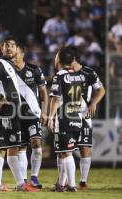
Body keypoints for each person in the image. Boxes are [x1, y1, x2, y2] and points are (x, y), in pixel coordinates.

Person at [0, 36, 39, 192]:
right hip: (6, 111)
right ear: (2, 49)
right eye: (6, 45)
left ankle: (20, 184)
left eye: (12, 45)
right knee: (2, 147)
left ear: (17, 49)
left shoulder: (8, 65)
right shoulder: (0, 64)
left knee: (12, 147)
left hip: (13, 111)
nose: (9, 48)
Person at [48, 46, 83, 192]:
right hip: (76, 117)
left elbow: (56, 99)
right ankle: (61, 185)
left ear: (60, 59)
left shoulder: (59, 76)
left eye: (56, 55)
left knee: (66, 152)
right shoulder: (78, 75)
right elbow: (80, 98)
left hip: (64, 119)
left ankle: (72, 185)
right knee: (63, 151)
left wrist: (50, 117)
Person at [14, 43, 48, 188]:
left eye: (16, 53)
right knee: (21, 147)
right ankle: (23, 180)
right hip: (16, 115)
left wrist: (45, 112)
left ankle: (34, 177)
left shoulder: (34, 70)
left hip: (33, 114)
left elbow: (44, 93)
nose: (13, 56)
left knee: (36, 143)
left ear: (22, 54)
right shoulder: (8, 71)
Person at [72, 57, 105, 189]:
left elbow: (101, 90)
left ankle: (83, 181)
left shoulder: (88, 73)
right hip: (67, 115)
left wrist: (93, 103)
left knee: (84, 147)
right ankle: (63, 181)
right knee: (64, 150)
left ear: (73, 58)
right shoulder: (63, 73)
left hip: (84, 115)